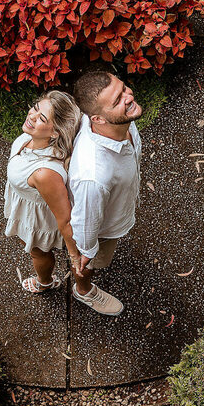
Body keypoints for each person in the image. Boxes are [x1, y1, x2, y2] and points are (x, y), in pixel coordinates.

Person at [68, 71, 144, 316]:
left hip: (117, 204)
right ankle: (83, 290)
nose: (128, 97)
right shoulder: (93, 176)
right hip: (104, 231)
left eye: (123, 89)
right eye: (117, 100)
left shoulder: (120, 121)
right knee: (90, 262)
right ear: (98, 118)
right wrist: (87, 252)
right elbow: (86, 223)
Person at [4, 90, 82, 293]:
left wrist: (74, 254)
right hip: (25, 203)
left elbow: (64, 219)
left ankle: (44, 282)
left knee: (37, 253)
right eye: (35, 109)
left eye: (42, 118)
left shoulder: (44, 174)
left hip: (35, 220)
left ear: (55, 132)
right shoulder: (31, 138)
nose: (31, 117)